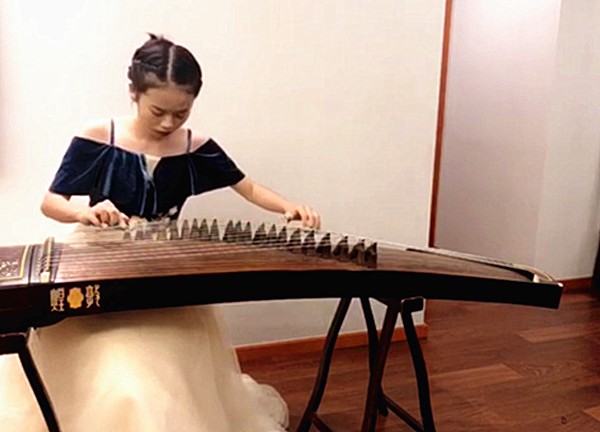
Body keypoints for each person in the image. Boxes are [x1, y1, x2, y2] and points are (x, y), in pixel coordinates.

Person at [0, 34, 320, 432]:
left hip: (162, 269)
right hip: (97, 263)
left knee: (162, 363)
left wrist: (288, 206)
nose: (169, 123)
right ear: (133, 93)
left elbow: (249, 187)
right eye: (158, 111)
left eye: (181, 113)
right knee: (121, 369)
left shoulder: (194, 146)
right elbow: (51, 202)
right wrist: (86, 212)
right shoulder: (100, 137)